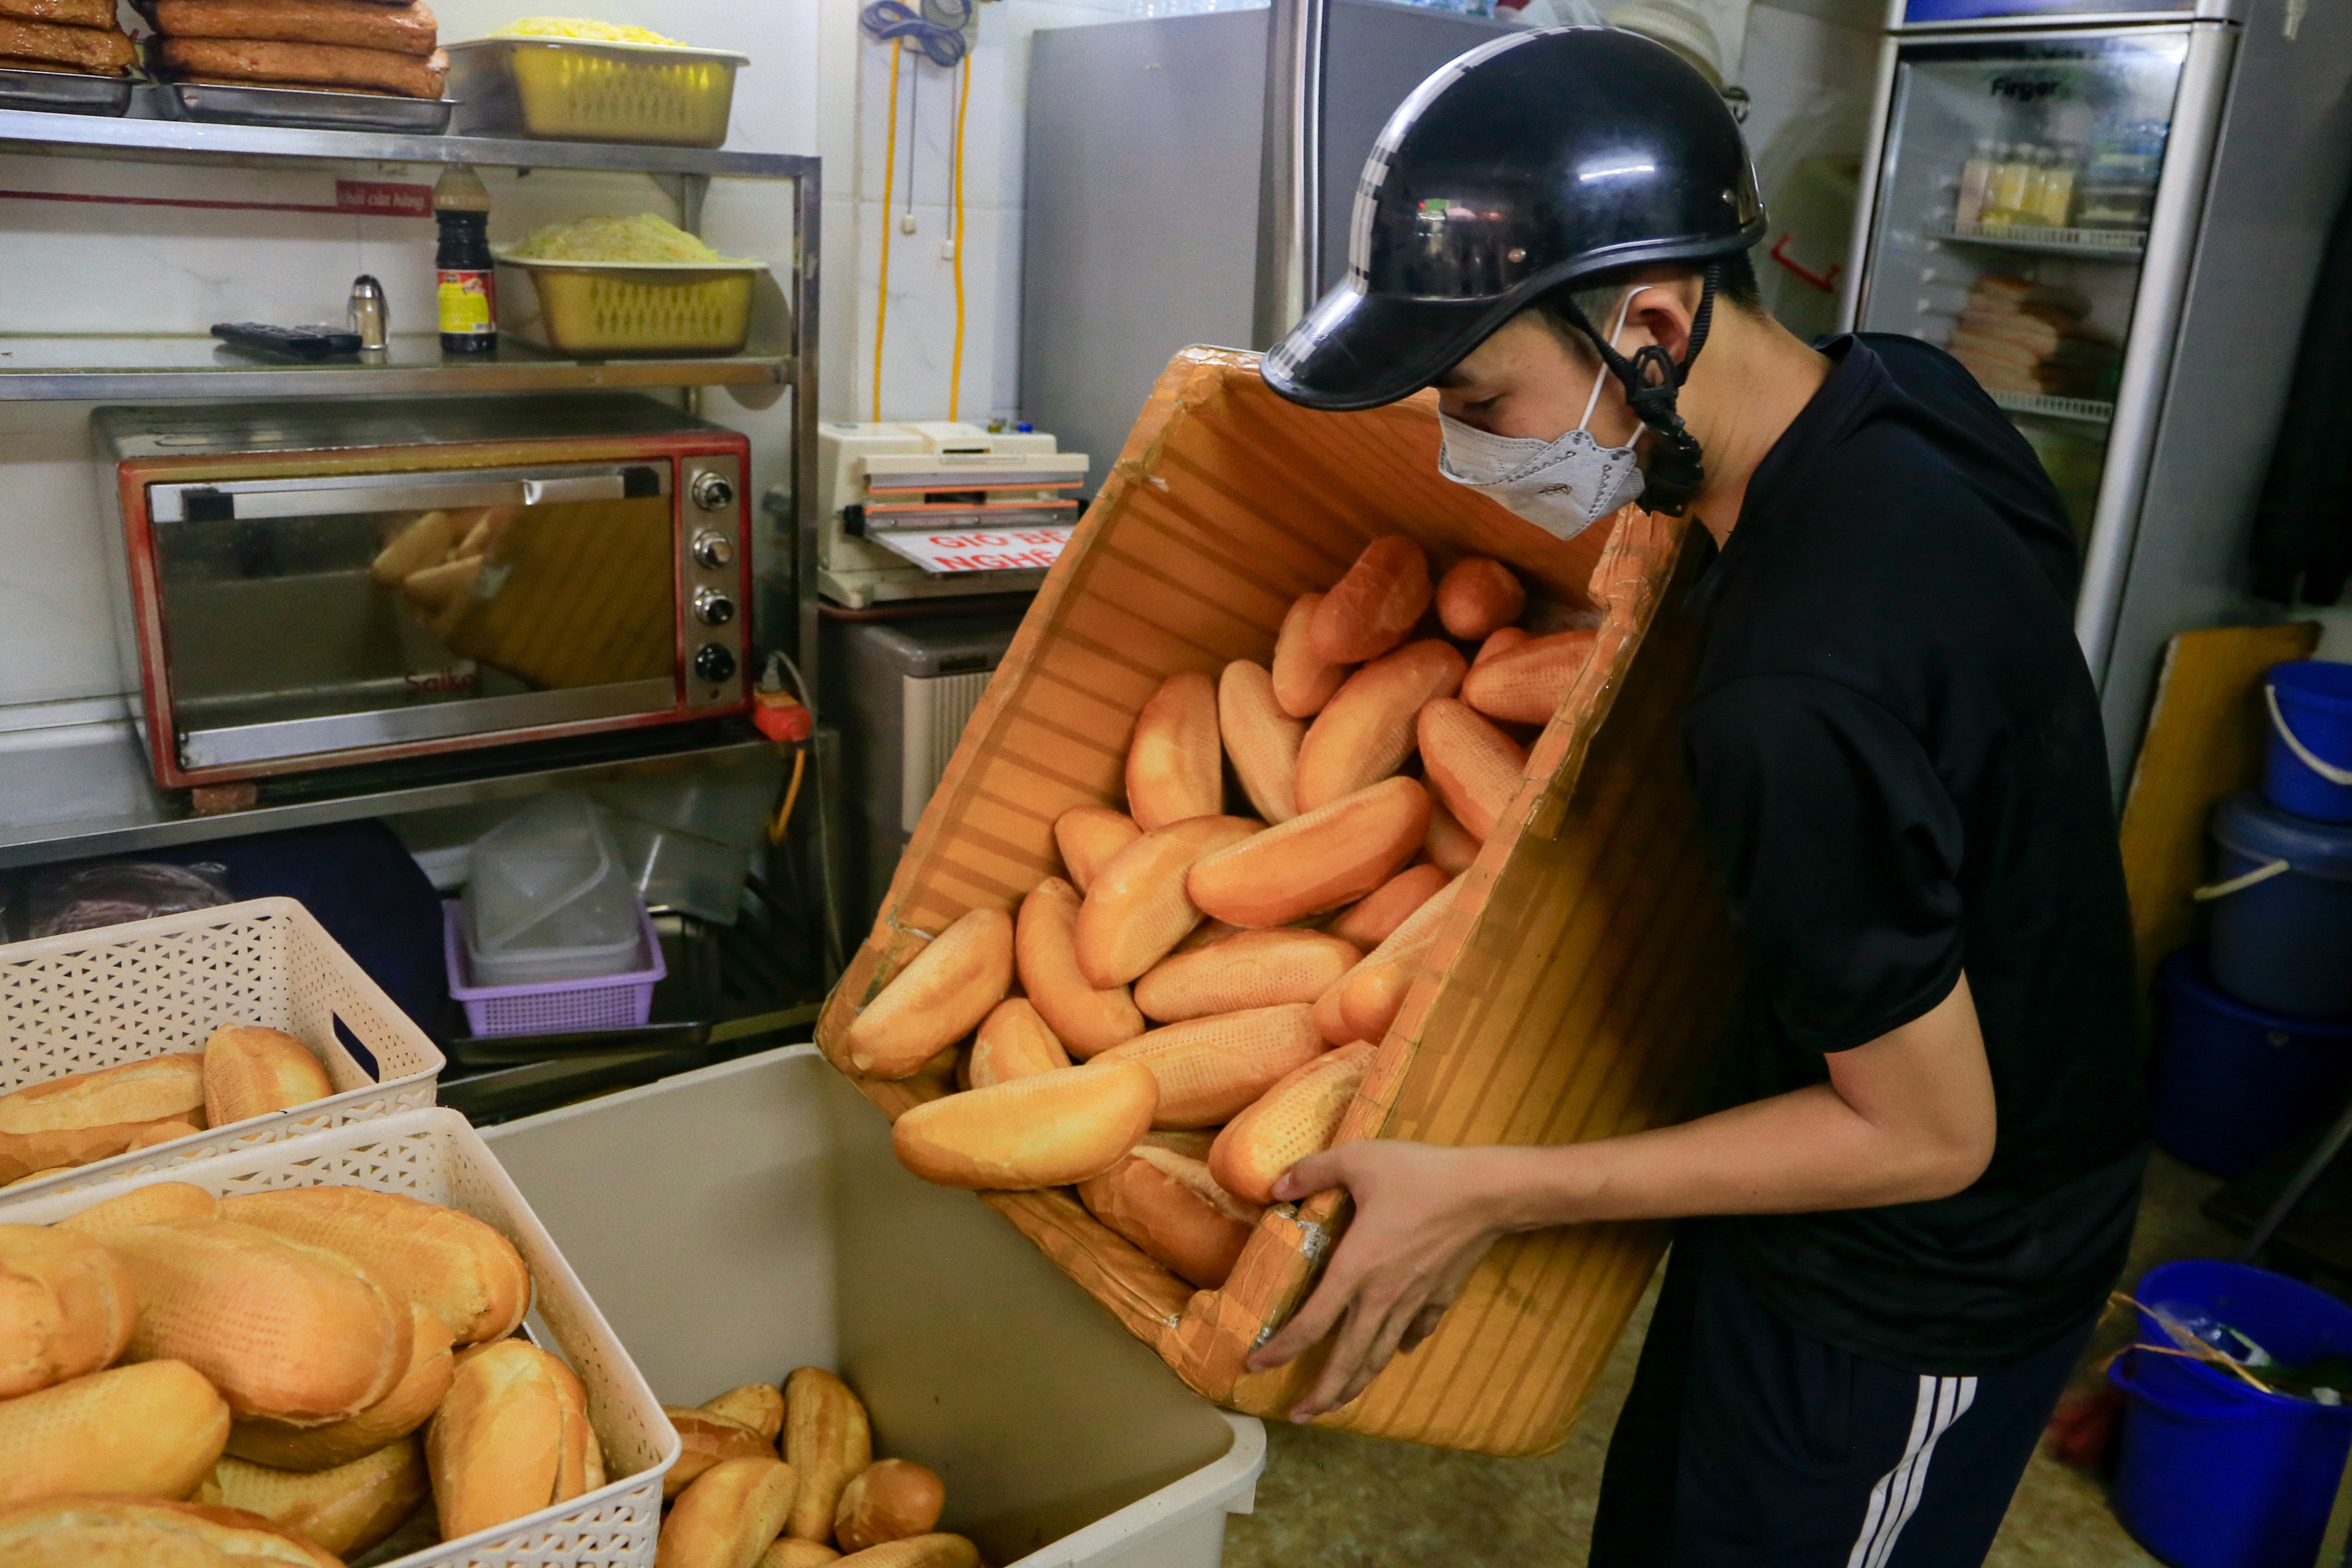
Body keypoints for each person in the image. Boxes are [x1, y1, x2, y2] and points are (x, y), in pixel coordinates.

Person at [1249, 27, 2148, 1568]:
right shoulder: (1903, 397)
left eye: (1480, 399)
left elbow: (1926, 1138)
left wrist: (1485, 1192)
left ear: (1652, 325)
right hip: (1807, 1168)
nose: (1460, 456)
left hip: (1919, 1275)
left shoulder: (1790, 695)